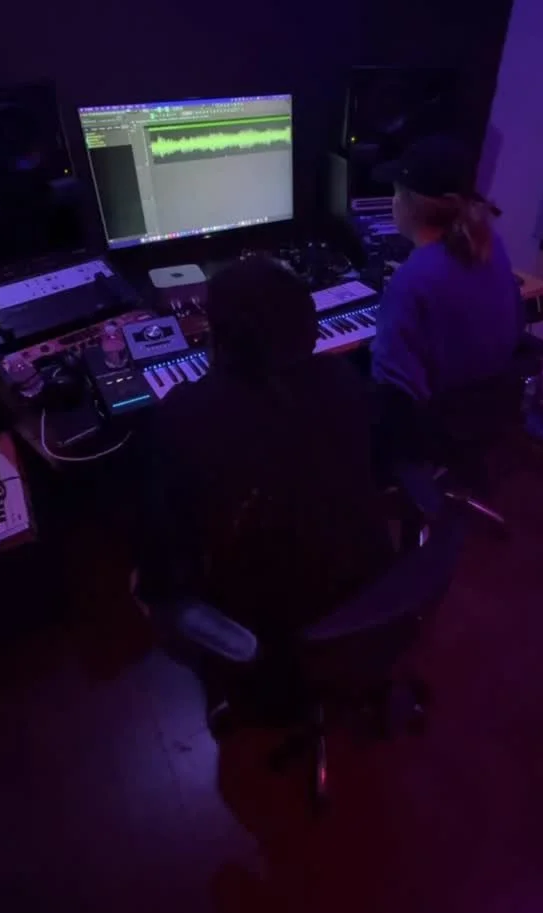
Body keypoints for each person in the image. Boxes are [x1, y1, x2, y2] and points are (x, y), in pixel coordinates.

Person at [133, 255, 392, 641]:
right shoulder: (343, 377)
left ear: (218, 338)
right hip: (368, 586)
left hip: (266, 624)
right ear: (308, 328)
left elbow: (161, 549)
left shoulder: (183, 414)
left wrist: (152, 589)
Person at [370, 134, 524, 462]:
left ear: (409, 205)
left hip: (430, 421)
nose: (392, 202)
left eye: (395, 193)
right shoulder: (490, 246)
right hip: (484, 403)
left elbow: (392, 383)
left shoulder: (412, 279)